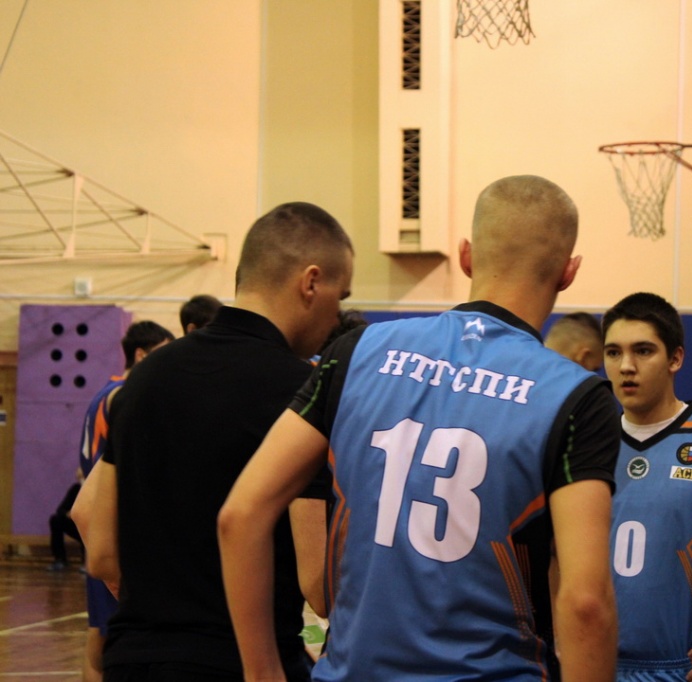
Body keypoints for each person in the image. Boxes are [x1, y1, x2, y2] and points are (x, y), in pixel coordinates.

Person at [218, 175, 620, 681]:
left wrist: (262, 674)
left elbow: (240, 515)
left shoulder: (356, 351)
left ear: (466, 256)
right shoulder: (575, 396)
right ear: (568, 272)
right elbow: (585, 602)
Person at [75, 202, 353, 681]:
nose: (337, 316)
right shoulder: (302, 394)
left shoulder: (144, 379)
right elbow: (317, 584)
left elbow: (95, 538)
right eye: (340, 296)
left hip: (133, 659)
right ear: (310, 282)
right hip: (241, 662)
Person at [602, 292, 692, 681]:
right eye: (613, 352)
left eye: (643, 351)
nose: (626, 367)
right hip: (597, 662)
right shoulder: (587, 443)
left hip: (685, 665)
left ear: (676, 358)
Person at [75, 320, 175, 682]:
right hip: (113, 526)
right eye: (163, 353)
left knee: (99, 636)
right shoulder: (125, 396)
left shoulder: (103, 394)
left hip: (100, 520)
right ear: (141, 355)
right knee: (106, 645)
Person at [48, 472, 83, 571]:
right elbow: (61, 510)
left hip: (92, 527)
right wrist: (69, 513)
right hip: (77, 525)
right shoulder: (76, 489)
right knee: (56, 520)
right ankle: (60, 559)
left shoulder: (96, 490)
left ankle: (87, 563)